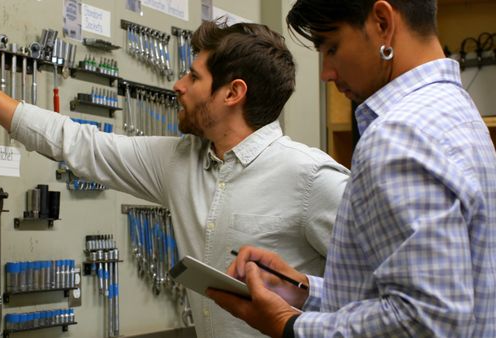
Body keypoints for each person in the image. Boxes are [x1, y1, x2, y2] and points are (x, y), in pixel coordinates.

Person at [0, 20, 349, 338]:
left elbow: (388, 300)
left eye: (194, 76)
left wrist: (307, 298)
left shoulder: (313, 180)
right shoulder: (178, 162)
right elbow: (75, 143)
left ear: (232, 93)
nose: (178, 85)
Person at [207, 1, 496, 337]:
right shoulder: (455, 112)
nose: (326, 72)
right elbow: (411, 295)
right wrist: (300, 290)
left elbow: (426, 320)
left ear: (383, 23)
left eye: (332, 47)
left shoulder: (400, 135)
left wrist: (290, 325)